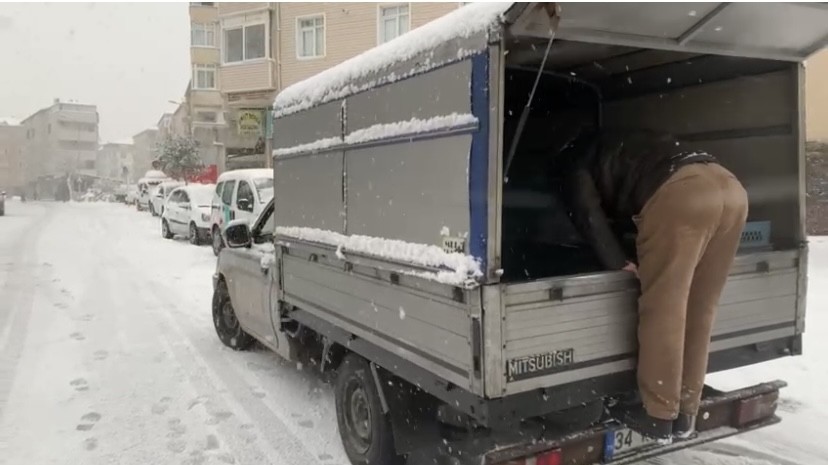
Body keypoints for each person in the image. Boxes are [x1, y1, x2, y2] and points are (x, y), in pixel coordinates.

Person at [557, 128, 749, 440]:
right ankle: (686, 411)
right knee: (701, 309)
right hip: (730, 187)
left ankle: (658, 415)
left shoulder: (572, 161)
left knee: (665, 309)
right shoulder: (621, 142)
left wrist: (618, 262)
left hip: (683, 194)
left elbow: (587, 213)